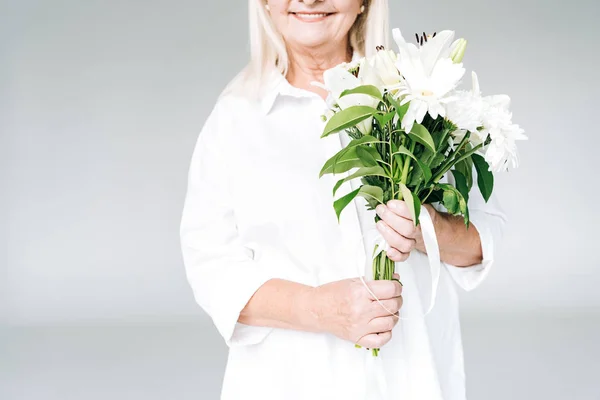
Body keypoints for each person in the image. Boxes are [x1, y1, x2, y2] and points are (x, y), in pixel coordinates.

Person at [179, 0, 507, 399]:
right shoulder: (235, 120)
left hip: (410, 379)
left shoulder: (422, 99)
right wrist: (319, 308)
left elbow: (483, 241)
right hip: (290, 383)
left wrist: (428, 229)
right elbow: (212, 270)